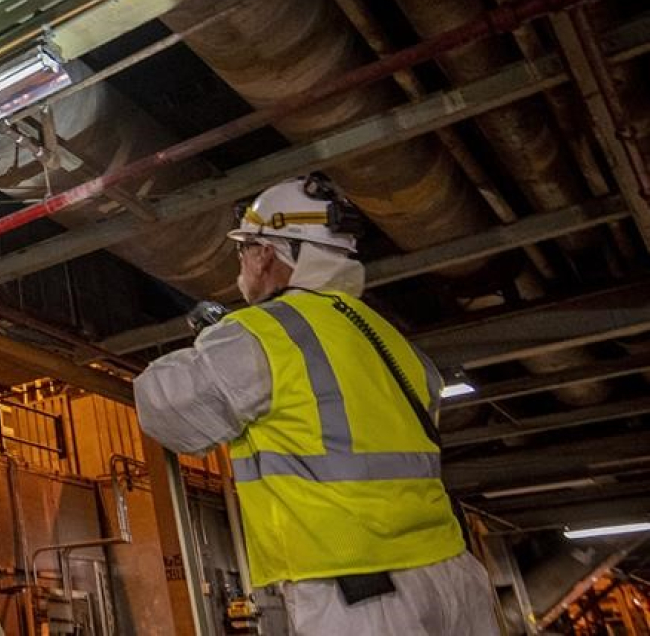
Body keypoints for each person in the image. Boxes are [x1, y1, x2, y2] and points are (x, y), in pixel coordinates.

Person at [134, 175, 499, 636]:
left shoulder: (266, 332)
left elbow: (165, 413)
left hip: (362, 594)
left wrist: (213, 340)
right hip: (452, 574)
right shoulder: (393, 341)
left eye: (245, 249)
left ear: (267, 253)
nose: (243, 264)